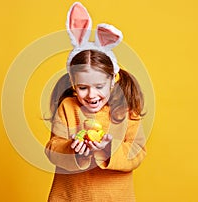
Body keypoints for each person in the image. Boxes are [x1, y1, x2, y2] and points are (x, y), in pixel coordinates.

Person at [45, 2, 146, 201]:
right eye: (83, 87)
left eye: (99, 86)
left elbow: (137, 151)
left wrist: (109, 149)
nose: (91, 95)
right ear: (73, 83)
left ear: (112, 80)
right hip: (71, 195)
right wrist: (72, 149)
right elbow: (52, 147)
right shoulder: (68, 107)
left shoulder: (126, 110)